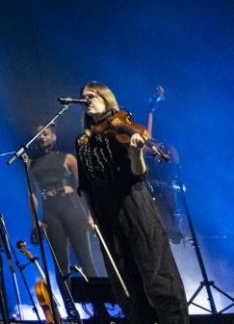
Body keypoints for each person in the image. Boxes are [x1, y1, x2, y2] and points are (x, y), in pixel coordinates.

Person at [74, 83, 188, 324]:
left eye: (92, 96)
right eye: (83, 97)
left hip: (133, 203)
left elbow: (138, 174)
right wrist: (89, 214)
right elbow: (84, 183)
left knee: (156, 271)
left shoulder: (121, 129)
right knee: (124, 281)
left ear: (106, 100)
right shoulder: (82, 141)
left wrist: (137, 152)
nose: (87, 100)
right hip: (104, 210)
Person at [27, 126, 99, 281]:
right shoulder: (31, 164)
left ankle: (98, 303)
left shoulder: (68, 158)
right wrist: (35, 221)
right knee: (60, 264)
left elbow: (84, 187)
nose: (42, 137)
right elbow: (32, 194)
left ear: (54, 136)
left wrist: (91, 215)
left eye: (45, 134)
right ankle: (69, 304)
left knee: (85, 258)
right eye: (38, 135)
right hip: (50, 209)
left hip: (71, 206)